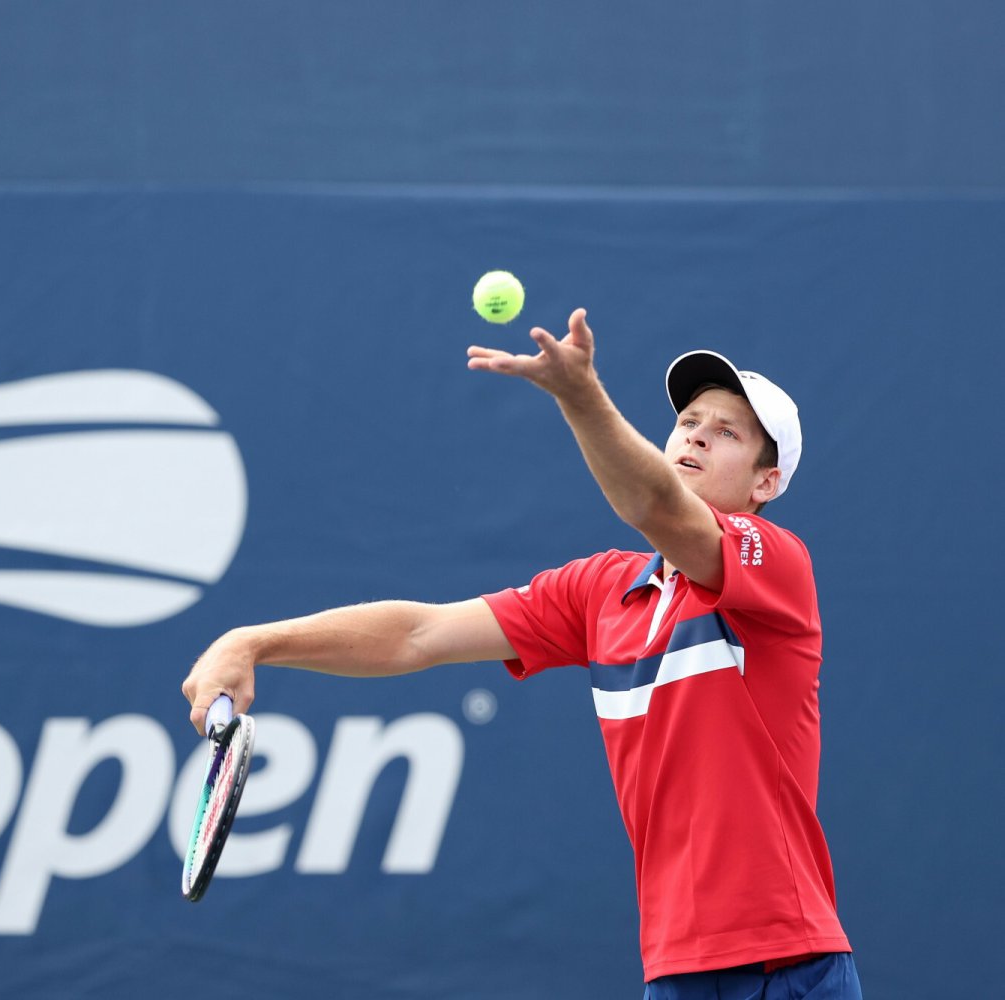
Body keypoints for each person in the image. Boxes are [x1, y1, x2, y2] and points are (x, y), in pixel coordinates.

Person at [181, 309, 861, 998]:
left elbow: (655, 506)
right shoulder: (600, 591)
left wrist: (579, 394)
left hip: (787, 962)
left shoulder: (777, 566)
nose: (697, 436)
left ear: (765, 483)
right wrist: (254, 641)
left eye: (728, 432)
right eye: (688, 421)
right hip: (675, 967)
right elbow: (418, 635)